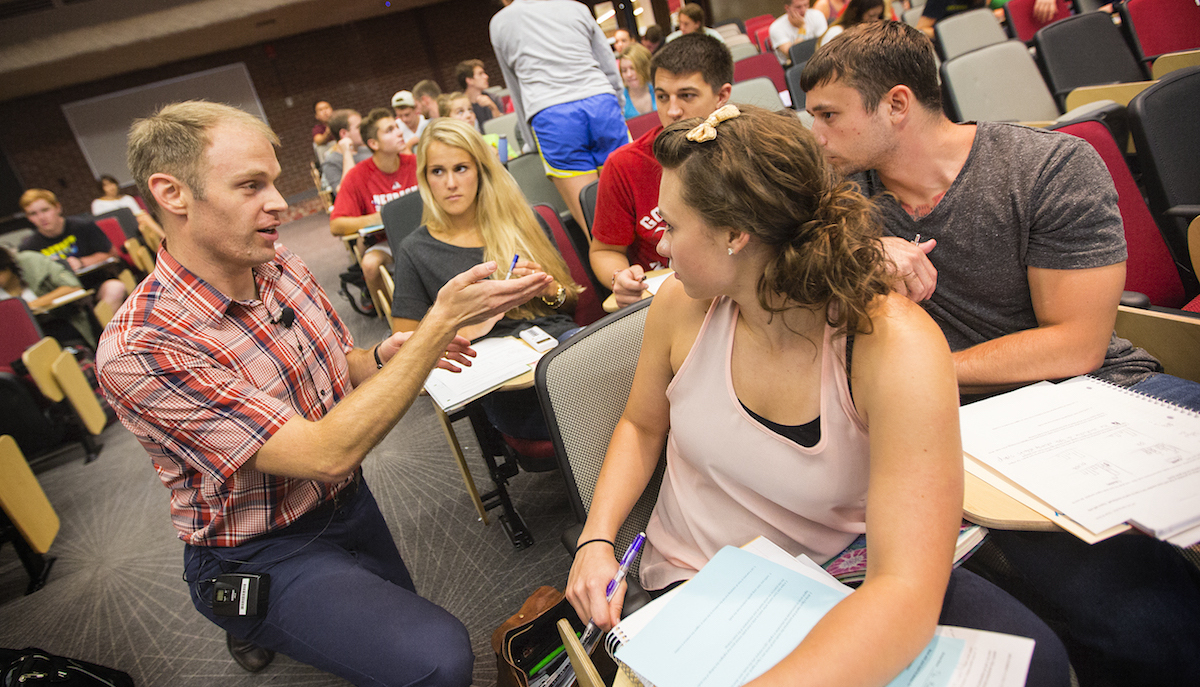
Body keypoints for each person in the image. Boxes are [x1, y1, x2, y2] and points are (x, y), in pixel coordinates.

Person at [566, 105, 1069, 687]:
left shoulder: (891, 344)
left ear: (735, 235)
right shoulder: (681, 306)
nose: (660, 249)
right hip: (701, 580)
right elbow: (641, 425)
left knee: (1038, 662)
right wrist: (596, 539)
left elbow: (903, 589)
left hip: (843, 571)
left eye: (673, 227)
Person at [800, 21, 1200, 686]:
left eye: (828, 115)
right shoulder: (842, 210)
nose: (815, 135)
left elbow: (1076, 345)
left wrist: (920, 378)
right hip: (976, 445)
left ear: (896, 105)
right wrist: (862, 254)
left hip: (1107, 392)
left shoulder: (1046, 166)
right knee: (1145, 624)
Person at [97, 99, 550, 683]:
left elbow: (344, 365)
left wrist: (388, 356)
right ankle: (246, 619)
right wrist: (435, 327)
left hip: (346, 501)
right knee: (439, 660)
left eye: (274, 182)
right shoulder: (142, 347)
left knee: (400, 646)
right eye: (250, 186)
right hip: (260, 546)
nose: (279, 203)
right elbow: (324, 453)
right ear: (172, 194)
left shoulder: (278, 263)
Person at [390, 118, 581, 440]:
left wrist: (549, 290)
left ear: (480, 170)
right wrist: (465, 325)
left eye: (461, 168)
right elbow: (404, 350)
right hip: (498, 374)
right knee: (587, 404)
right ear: (425, 178)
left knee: (615, 375)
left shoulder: (524, 221)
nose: (451, 183)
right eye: (438, 171)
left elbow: (570, 303)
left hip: (557, 343)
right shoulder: (415, 250)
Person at [590, 34, 731, 309]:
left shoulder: (748, 150)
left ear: (721, 96)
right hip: (666, 299)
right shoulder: (625, 165)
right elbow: (604, 251)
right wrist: (620, 277)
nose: (673, 111)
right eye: (663, 97)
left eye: (687, 95)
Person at [491, 0, 630, 234]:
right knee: (632, 207)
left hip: (553, 115)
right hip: (602, 104)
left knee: (596, 227)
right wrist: (618, 109)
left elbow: (515, 87)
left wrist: (530, 142)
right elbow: (608, 64)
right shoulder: (576, 7)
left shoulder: (500, 22)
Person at [329, 108, 419, 312]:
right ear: (374, 144)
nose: (399, 132)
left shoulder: (416, 163)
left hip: (424, 235)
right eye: (389, 130)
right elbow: (336, 225)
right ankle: (395, 316)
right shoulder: (358, 175)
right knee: (370, 265)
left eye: (397, 127)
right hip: (387, 243)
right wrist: (382, 217)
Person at [18, 188, 127, 314]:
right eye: (33, 214)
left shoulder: (82, 226)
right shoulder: (28, 248)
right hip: (62, 296)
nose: (41, 217)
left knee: (116, 288)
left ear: (57, 208)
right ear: (28, 218)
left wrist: (81, 262)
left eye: (45, 210)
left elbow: (111, 254)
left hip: (96, 282)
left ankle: (106, 325)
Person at [0, 247, 94, 347]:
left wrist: (27, 307)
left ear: (7, 267)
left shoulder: (30, 261)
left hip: (59, 322)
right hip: (20, 338)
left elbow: (73, 287)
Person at [91, 173, 166, 250]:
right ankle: (164, 240)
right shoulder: (98, 203)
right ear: (102, 189)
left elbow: (138, 214)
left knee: (144, 218)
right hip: (116, 231)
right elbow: (100, 223)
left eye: (112, 184)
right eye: (106, 185)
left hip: (135, 227)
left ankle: (164, 240)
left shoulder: (127, 198)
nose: (111, 187)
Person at [439, 92, 520, 160]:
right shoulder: (448, 151)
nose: (468, 115)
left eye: (470, 110)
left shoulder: (495, 139)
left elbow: (516, 164)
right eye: (460, 112)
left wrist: (497, 157)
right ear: (447, 120)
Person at [320, 108, 372, 193]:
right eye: (358, 127)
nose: (364, 130)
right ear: (344, 133)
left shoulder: (368, 149)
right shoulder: (332, 161)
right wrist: (347, 151)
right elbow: (344, 192)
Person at [769, 0, 828, 64]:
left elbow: (825, 43)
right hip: (793, 65)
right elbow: (794, 54)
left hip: (818, 59)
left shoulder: (817, 15)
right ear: (787, 8)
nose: (803, 10)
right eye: (798, 7)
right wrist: (802, 29)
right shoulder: (776, 27)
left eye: (806, 5)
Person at [455, 59, 503, 129]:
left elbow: (503, 127)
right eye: (480, 74)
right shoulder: (458, 105)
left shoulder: (493, 98)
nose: (486, 76)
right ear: (469, 80)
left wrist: (493, 108)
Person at [818, 0, 887, 46]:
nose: (875, 20)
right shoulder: (836, 32)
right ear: (857, 13)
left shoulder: (872, 35)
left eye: (879, 16)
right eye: (871, 16)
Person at [618, 44, 657, 118]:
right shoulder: (619, 100)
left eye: (633, 68)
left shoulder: (658, 91)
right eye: (624, 70)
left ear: (644, 68)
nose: (629, 74)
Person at [915, 0, 988, 38]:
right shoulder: (939, 1)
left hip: (973, 39)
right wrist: (947, 35)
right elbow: (920, 29)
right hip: (947, 44)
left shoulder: (979, 1)